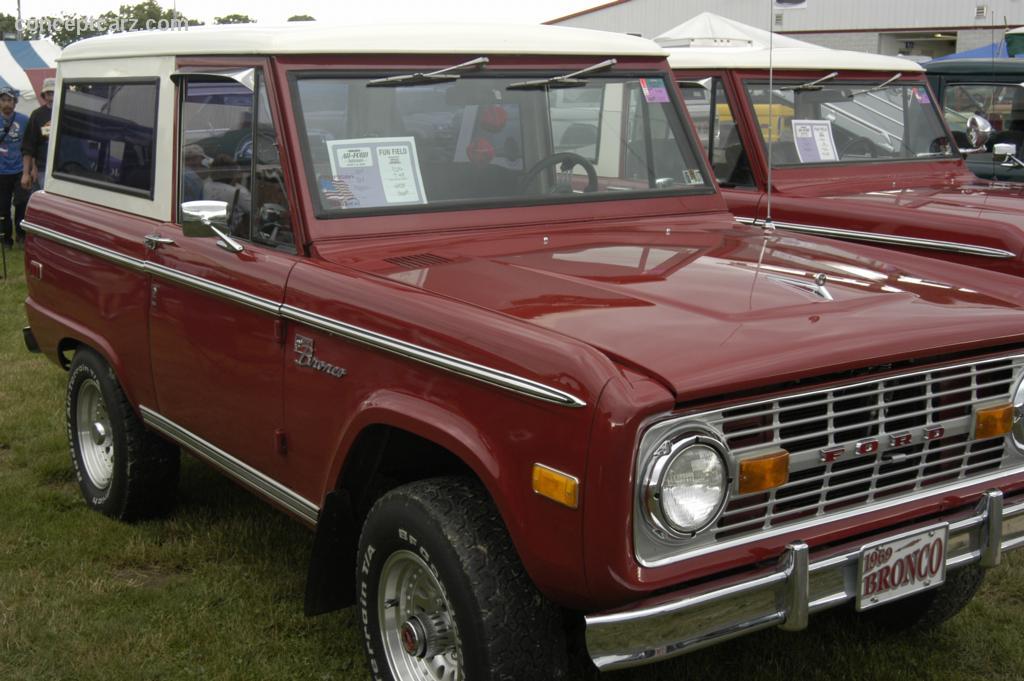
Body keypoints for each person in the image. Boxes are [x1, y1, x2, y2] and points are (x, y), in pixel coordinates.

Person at [0, 87, 29, 248]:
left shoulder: (24, 120)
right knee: (3, 208)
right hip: (1, 171)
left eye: (9, 100)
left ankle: (21, 235)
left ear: (15, 102)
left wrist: (29, 170)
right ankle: (5, 240)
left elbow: (29, 146)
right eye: (3, 100)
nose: (6, 104)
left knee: (21, 204)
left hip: (19, 170)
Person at [21, 77, 55, 195]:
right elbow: (29, 145)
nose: (51, 97)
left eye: (54, 93)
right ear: (43, 95)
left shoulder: (68, 113)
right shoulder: (37, 115)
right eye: (48, 93)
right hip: (42, 168)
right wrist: (26, 173)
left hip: (64, 170)